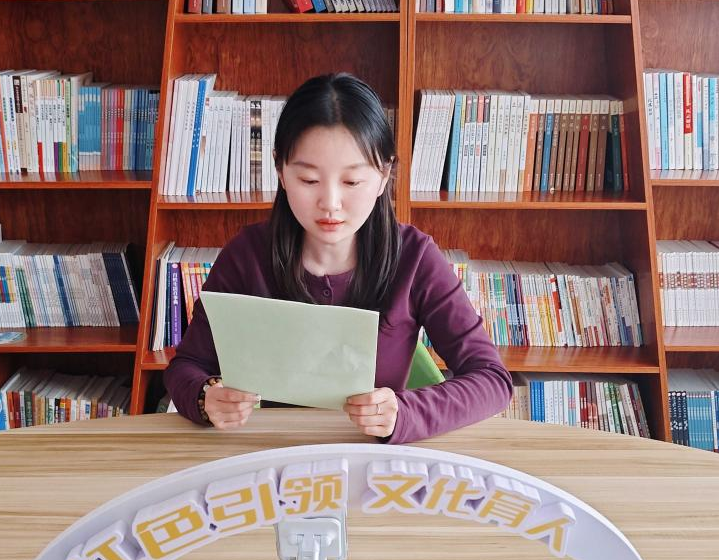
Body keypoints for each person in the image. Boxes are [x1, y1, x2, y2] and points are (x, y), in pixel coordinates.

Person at [163, 72, 513, 443]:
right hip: (275, 454)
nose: (330, 203)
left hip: (374, 459)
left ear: (383, 175)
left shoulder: (414, 258)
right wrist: (206, 398)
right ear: (280, 170)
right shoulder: (246, 255)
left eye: (351, 182)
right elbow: (186, 367)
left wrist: (406, 412)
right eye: (309, 180)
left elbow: (491, 379)